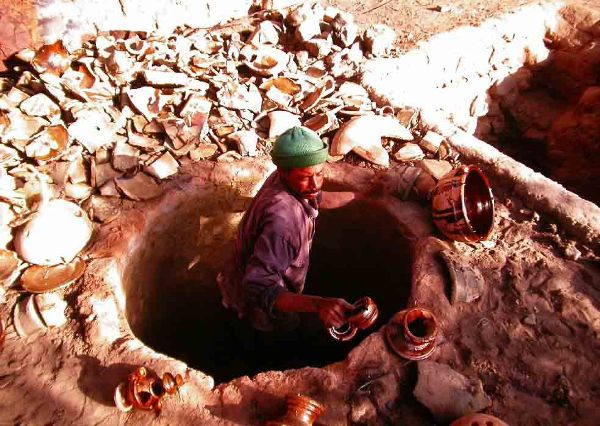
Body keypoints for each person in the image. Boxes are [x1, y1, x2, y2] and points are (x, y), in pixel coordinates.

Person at [218, 126, 356, 333]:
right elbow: (259, 287)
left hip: (251, 273)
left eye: (319, 173)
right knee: (275, 331)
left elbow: (319, 197)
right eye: (305, 177)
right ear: (284, 172)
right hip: (261, 302)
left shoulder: (289, 177)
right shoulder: (283, 225)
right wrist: (319, 304)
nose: (315, 184)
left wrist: (361, 197)